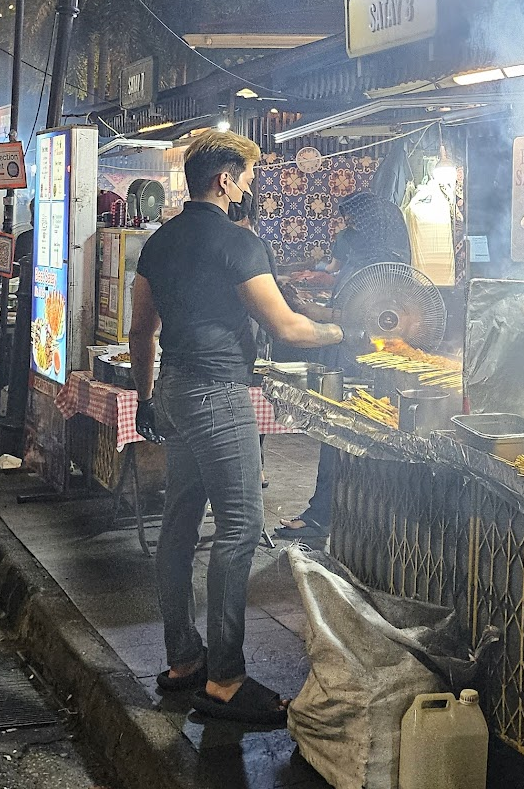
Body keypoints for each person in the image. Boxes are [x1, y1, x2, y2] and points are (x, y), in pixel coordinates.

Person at [129, 130, 343, 723]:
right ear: (225, 180)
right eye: (246, 176)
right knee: (240, 529)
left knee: (179, 525)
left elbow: (142, 330)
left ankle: (183, 660)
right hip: (218, 395)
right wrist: (344, 331)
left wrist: (146, 397)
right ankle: (224, 678)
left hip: (173, 389)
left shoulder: (159, 242)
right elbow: (287, 328)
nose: (249, 185)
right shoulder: (238, 242)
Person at [278, 188, 412, 543]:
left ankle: (330, 515)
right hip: (343, 354)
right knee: (332, 435)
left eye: (352, 221)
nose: (345, 227)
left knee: (346, 438)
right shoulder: (359, 256)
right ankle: (325, 512)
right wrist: (315, 311)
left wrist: (316, 313)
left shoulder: (384, 267)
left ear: (372, 224)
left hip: (365, 364)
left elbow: (376, 320)